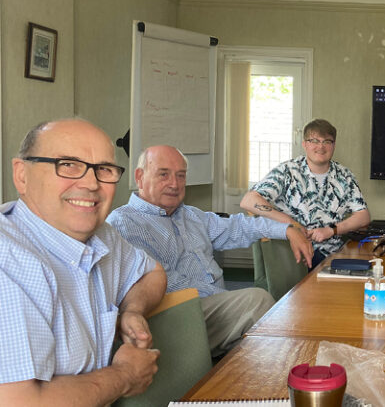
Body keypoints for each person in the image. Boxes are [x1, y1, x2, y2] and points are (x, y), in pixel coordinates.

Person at [0, 119, 167, 405]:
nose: (91, 184)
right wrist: (126, 375)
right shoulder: (9, 263)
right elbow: (20, 403)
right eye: (67, 165)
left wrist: (132, 310)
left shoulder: (101, 235)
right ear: (21, 175)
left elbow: (152, 272)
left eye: (104, 169)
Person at [107, 145, 312, 357]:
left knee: (268, 324)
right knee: (257, 302)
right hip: (175, 315)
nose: (174, 184)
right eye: (163, 174)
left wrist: (287, 229)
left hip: (210, 311)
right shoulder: (125, 222)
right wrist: (225, 298)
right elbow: (162, 282)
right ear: (140, 177)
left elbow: (241, 226)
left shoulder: (191, 215)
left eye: (181, 175)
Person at [240, 119, 370, 268]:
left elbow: (363, 216)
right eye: (314, 140)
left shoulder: (344, 176)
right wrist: (293, 223)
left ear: (334, 145)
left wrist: (331, 230)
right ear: (304, 144)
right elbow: (249, 201)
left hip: (332, 256)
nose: (321, 147)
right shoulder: (287, 171)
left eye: (327, 141)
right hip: (294, 254)